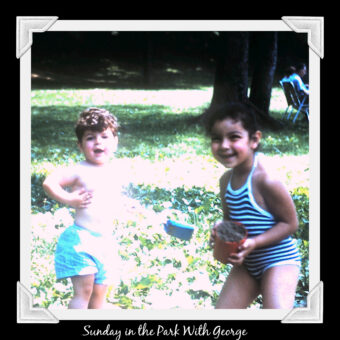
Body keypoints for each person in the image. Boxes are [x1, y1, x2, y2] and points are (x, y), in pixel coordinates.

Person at [205, 102, 301, 309]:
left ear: (254, 140)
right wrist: (221, 230)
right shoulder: (225, 181)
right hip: (248, 264)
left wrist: (254, 243)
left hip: (279, 261)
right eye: (216, 138)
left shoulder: (266, 179)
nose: (223, 145)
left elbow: (290, 224)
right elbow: (233, 222)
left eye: (234, 137)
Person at [43, 107, 124, 309]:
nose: (98, 142)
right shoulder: (79, 170)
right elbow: (49, 182)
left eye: (105, 136)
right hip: (81, 240)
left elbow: (116, 202)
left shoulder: (115, 172)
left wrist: (133, 209)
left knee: (98, 296)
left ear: (115, 142)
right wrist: (69, 199)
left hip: (106, 242)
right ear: (80, 145)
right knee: (84, 291)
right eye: (90, 138)